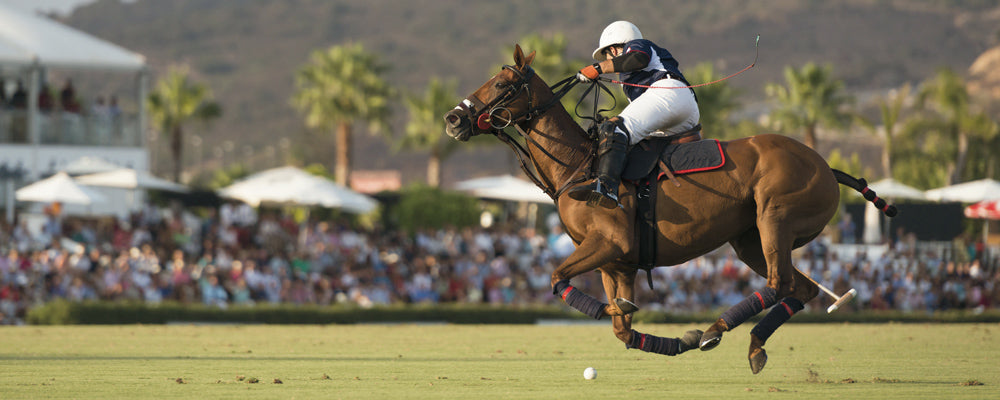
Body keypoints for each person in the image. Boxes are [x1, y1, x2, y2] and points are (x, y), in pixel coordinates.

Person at [568, 21, 701, 209]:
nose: (606, 60)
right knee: (633, 146)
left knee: (613, 128)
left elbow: (638, 58)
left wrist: (597, 68)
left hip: (669, 93)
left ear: (614, 50)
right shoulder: (629, 80)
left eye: (606, 55)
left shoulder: (637, 45)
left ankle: (606, 187)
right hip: (684, 109)